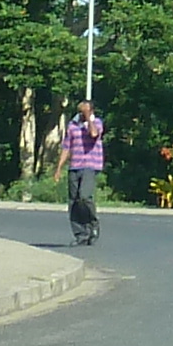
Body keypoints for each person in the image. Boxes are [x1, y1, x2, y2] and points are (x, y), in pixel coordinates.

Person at [59, 100, 105, 247]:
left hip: (90, 165)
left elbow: (93, 134)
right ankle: (80, 234)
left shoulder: (96, 123)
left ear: (91, 111)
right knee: (74, 201)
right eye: (81, 110)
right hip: (74, 166)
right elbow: (67, 147)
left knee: (84, 197)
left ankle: (92, 224)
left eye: (85, 110)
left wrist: (89, 118)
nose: (82, 113)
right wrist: (59, 167)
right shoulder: (72, 125)